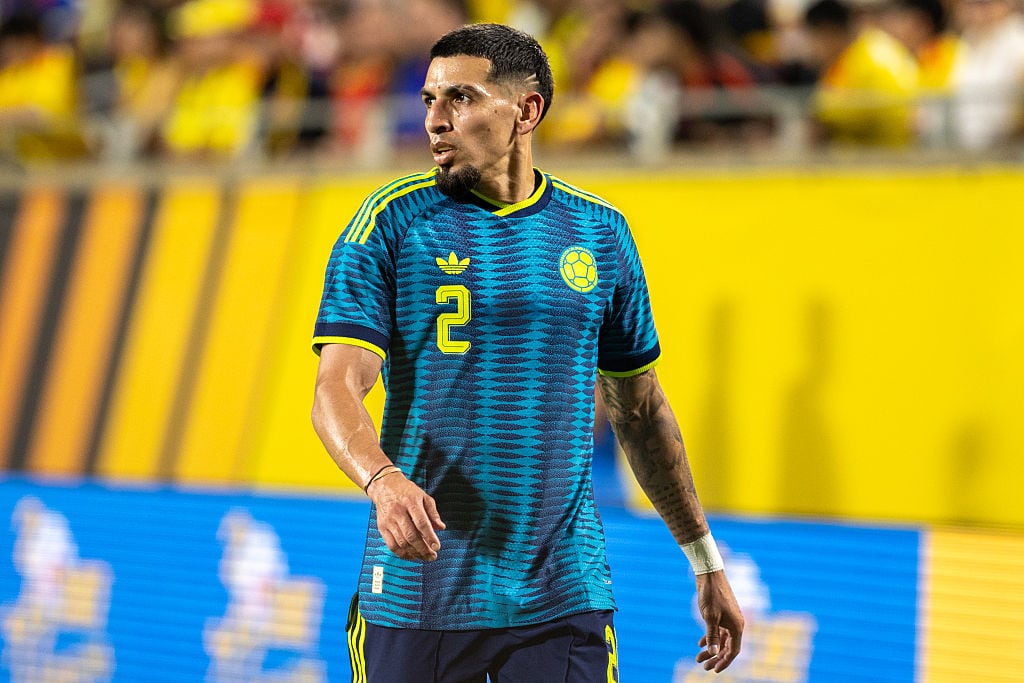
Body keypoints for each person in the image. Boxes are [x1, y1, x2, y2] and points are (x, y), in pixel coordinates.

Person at [310, 23, 743, 681]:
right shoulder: (390, 221)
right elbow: (336, 386)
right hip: (417, 588)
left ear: (526, 109)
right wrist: (382, 478)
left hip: (562, 591)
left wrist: (705, 560)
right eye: (429, 100)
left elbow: (641, 411)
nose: (436, 120)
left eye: (461, 98)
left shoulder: (599, 232)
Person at [803, 0, 920, 147]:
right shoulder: (861, 52)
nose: (812, 49)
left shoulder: (867, 57)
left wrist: (822, 115)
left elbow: (875, 110)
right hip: (877, 156)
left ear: (828, 32)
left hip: (884, 158)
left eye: (814, 38)